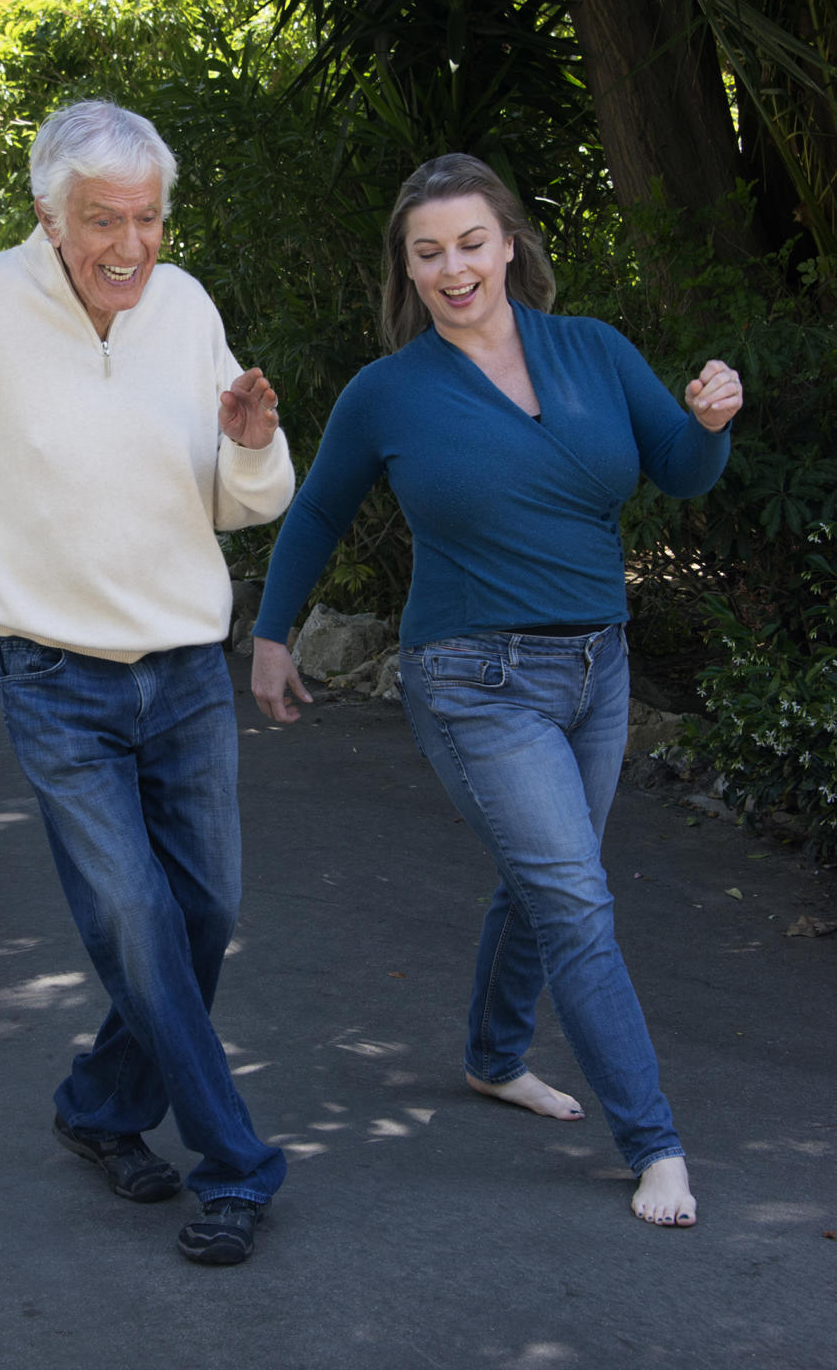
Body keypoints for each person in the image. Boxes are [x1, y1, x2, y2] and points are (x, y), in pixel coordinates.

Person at [0, 100, 294, 1265]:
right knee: (134, 918)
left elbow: (249, 502)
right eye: (102, 220)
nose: (129, 244)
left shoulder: (182, 309)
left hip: (184, 669)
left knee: (204, 915)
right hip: (52, 675)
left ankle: (97, 1105)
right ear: (49, 214)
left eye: (147, 217)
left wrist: (248, 440)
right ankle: (236, 1162)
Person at [251, 153, 743, 1230]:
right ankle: (654, 1142)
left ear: (509, 242)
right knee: (574, 897)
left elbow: (680, 466)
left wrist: (711, 420)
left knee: (544, 877)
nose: (452, 266)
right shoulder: (390, 391)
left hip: (597, 668)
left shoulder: (594, 349)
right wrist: (273, 633)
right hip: (473, 681)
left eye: (471, 241)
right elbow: (321, 513)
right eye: (427, 252)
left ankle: (490, 1054)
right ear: (409, 268)